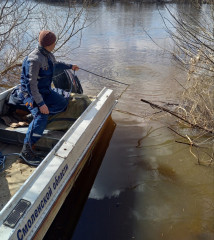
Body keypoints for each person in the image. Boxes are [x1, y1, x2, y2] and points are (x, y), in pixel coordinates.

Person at [19, 30, 79, 164]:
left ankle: (34, 115)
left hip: (45, 90)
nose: (55, 44)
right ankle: (26, 150)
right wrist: (41, 104)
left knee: (62, 103)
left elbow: (55, 65)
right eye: (54, 42)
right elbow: (31, 86)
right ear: (48, 44)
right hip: (30, 94)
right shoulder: (34, 60)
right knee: (42, 116)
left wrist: (70, 66)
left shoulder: (48, 54)